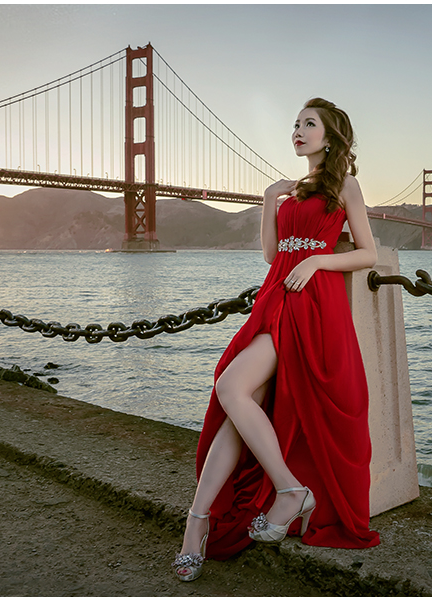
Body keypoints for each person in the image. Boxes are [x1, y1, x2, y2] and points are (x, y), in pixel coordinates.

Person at [172, 98, 380, 582]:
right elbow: (271, 255)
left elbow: (367, 253)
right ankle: (199, 522)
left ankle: (286, 491)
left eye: (310, 124)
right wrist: (268, 200)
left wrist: (317, 261)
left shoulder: (345, 186)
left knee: (230, 388)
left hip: (312, 307)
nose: (299, 131)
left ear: (330, 137)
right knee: (235, 401)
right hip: (275, 299)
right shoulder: (288, 194)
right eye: (296, 124)